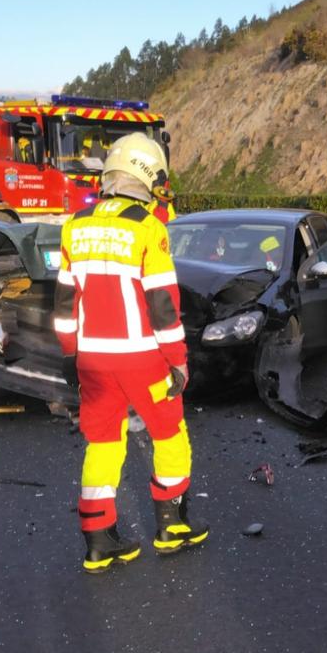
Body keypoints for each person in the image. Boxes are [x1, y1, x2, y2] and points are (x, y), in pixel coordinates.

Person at [54, 132, 208, 573]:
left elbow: (66, 303)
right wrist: (177, 359)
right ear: (144, 173)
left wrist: (70, 356)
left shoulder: (75, 226)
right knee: (168, 434)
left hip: (92, 360)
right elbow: (163, 304)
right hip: (142, 358)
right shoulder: (147, 227)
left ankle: (99, 541)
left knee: (102, 443)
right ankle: (172, 525)